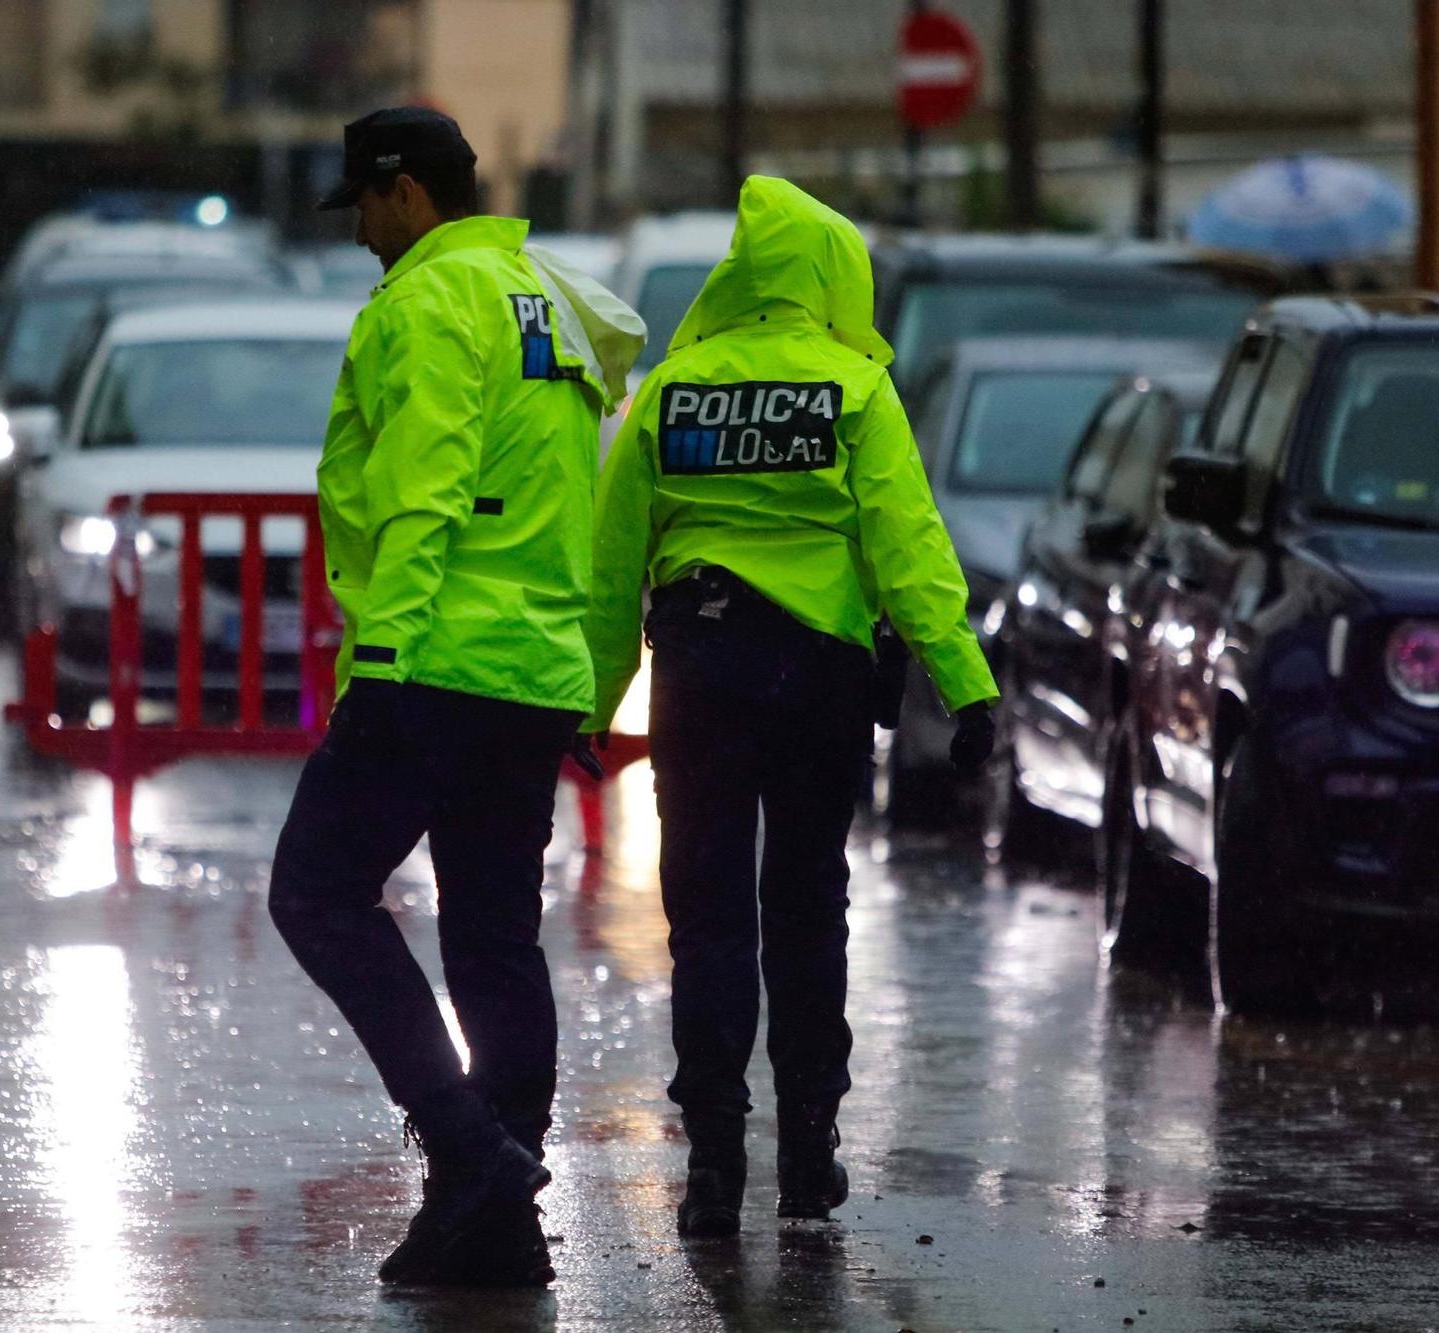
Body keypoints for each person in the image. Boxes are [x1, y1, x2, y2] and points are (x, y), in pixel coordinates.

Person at [267, 106, 643, 1285]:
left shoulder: (430, 303)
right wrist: (583, 681)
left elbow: (424, 495)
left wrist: (378, 664)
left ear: (406, 195)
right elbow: (561, 491)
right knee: (493, 946)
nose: (361, 237)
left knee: (316, 894)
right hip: (532, 673)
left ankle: (471, 1152)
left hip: (432, 659)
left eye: (366, 209)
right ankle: (498, 1229)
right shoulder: (556, 304)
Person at [582, 176, 998, 1238]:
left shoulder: (670, 393)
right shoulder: (853, 390)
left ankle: (713, 1163)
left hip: (699, 670)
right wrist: (964, 684)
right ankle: (808, 1156)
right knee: (807, 911)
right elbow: (907, 550)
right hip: (816, 677)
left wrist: (590, 705)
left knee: (707, 917)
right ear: (827, 277)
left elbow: (609, 563)